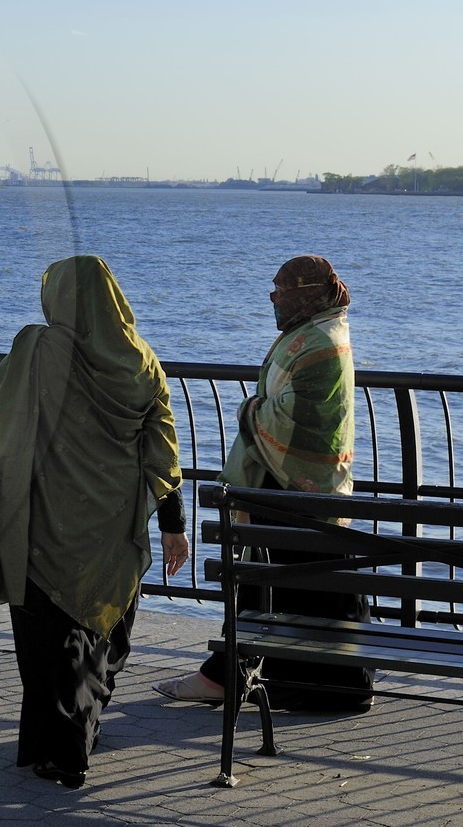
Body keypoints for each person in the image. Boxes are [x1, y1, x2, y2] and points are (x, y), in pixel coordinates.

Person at [0, 255, 189, 789]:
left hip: (41, 521)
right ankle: (74, 733)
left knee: (46, 635)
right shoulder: (142, 359)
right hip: (112, 526)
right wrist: (173, 523)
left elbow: (2, 430)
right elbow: (163, 450)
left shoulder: (39, 348)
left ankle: (59, 750)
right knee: (98, 628)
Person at [154, 254, 372, 709]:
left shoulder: (318, 342)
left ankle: (225, 678)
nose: (273, 298)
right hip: (313, 492)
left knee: (268, 581)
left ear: (305, 294)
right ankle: (327, 686)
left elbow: (301, 417)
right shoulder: (320, 331)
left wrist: (248, 411)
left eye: (282, 290)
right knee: (305, 592)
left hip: (295, 492)